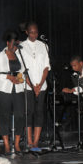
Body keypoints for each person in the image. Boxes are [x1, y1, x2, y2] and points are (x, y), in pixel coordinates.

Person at [0, 31, 25, 155]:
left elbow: (23, 71)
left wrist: (21, 79)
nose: (14, 46)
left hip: (18, 88)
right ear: (7, 42)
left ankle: (16, 144)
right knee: (5, 116)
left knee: (20, 115)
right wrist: (8, 78)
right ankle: (6, 145)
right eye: (13, 44)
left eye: (16, 44)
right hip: (3, 89)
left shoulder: (20, 55)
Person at [20, 22, 50, 151]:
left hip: (41, 86)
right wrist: (32, 86)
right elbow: (22, 70)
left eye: (36, 32)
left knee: (39, 113)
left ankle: (36, 141)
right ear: (26, 32)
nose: (34, 35)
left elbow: (46, 67)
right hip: (28, 86)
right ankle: (29, 141)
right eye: (31, 32)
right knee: (29, 112)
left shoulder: (43, 46)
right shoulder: (21, 46)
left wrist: (40, 85)